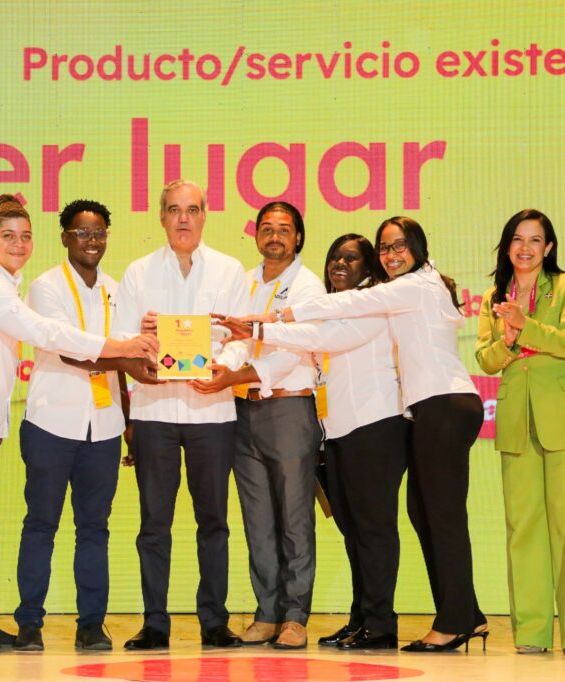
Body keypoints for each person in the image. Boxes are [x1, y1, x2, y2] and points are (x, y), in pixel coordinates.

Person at [0, 195, 157, 653]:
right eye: (8, 236)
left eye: (25, 236)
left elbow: (122, 351)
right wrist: (125, 350)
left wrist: (134, 382)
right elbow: (53, 339)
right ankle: (17, 623)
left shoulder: (101, 287)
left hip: (72, 423)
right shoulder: (7, 285)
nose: (19, 244)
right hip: (14, 420)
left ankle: (73, 624)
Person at [258, 216, 488, 653]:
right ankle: (466, 614)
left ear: (418, 246)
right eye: (385, 247)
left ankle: (454, 620)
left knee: (440, 517)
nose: (392, 254)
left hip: (443, 403)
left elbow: (345, 312)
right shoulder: (406, 290)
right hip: (426, 408)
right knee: (425, 514)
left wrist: (271, 319)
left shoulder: (411, 286)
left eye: (399, 245)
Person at [218, 233, 410, 650]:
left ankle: (376, 623)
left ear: (369, 267)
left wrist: (257, 330)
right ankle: (361, 618)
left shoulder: (369, 304)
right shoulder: (332, 305)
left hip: (373, 427)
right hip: (336, 431)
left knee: (367, 528)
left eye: (352, 258)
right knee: (352, 529)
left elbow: (316, 340)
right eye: (335, 257)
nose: (340, 264)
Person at [12, 199, 159, 652]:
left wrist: (129, 423)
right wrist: (130, 358)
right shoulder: (46, 287)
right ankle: (29, 623)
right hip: (51, 423)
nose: (92, 241)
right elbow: (72, 351)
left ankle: (91, 624)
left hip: (105, 426)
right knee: (41, 523)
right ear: (64, 237)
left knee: (95, 528)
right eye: (82, 233)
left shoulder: (117, 290)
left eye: (99, 233)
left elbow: (125, 359)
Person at [113, 179, 250, 650]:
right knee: (154, 523)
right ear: (162, 217)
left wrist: (224, 368)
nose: (183, 218)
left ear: (205, 215)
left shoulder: (230, 270)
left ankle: (214, 621)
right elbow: (120, 338)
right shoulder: (138, 272)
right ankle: (155, 623)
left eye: (192, 209)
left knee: (214, 522)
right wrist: (141, 336)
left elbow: (241, 339)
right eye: (174, 210)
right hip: (155, 412)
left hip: (213, 412)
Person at [190, 202, 324, 649]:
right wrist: (220, 367)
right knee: (257, 518)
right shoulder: (243, 282)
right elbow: (233, 340)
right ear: (256, 235)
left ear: (298, 237)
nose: (274, 236)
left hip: (288, 409)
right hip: (242, 412)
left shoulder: (307, 286)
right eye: (266, 228)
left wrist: (236, 375)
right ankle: (266, 613)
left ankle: (295, 617)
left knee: (294, 517)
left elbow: (291, 351)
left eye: (284, 229)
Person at [476, 209, 565, 655]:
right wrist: (509, 339)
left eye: (535, 240)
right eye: (517, 239)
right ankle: (531, 633)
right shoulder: (493, 296)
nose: (525, 248)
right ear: (506, 245)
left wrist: (524, 325)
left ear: (548, 247)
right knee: (523, 529)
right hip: (518, 421)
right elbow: (486, 360)